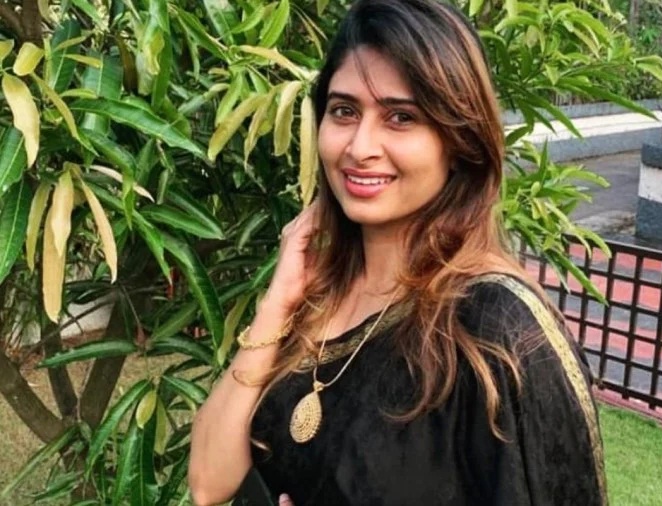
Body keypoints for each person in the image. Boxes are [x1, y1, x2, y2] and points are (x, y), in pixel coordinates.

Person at [189, 0, 607, 505]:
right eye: (344, 111)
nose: (360, 146)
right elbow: (208, 483)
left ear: (459, 141)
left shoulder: (499, 331)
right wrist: (276, 303)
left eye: (401, 117)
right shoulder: (315, 297)